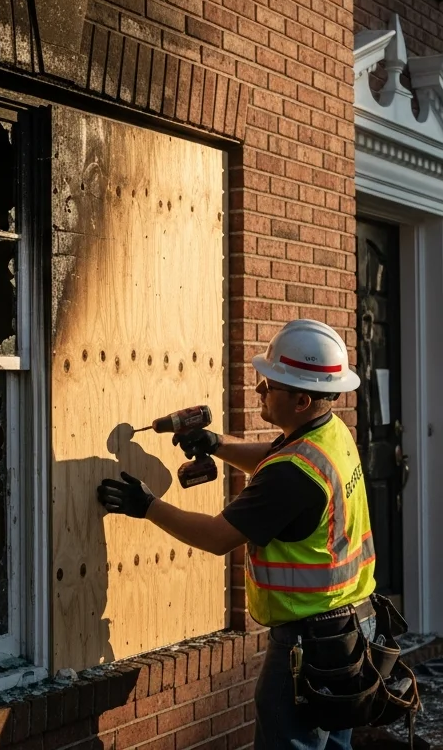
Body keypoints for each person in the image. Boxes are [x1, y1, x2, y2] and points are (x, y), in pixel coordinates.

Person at [96, 318, 378, 750]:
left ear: (302, 399)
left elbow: (217, 537)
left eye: (271, 384)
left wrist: (147, 506)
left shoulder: (293, 476)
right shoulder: (329, 434)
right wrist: (215, 444)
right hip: (354, 625)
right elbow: (272, 456)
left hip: (312, 643)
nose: (260, 388)